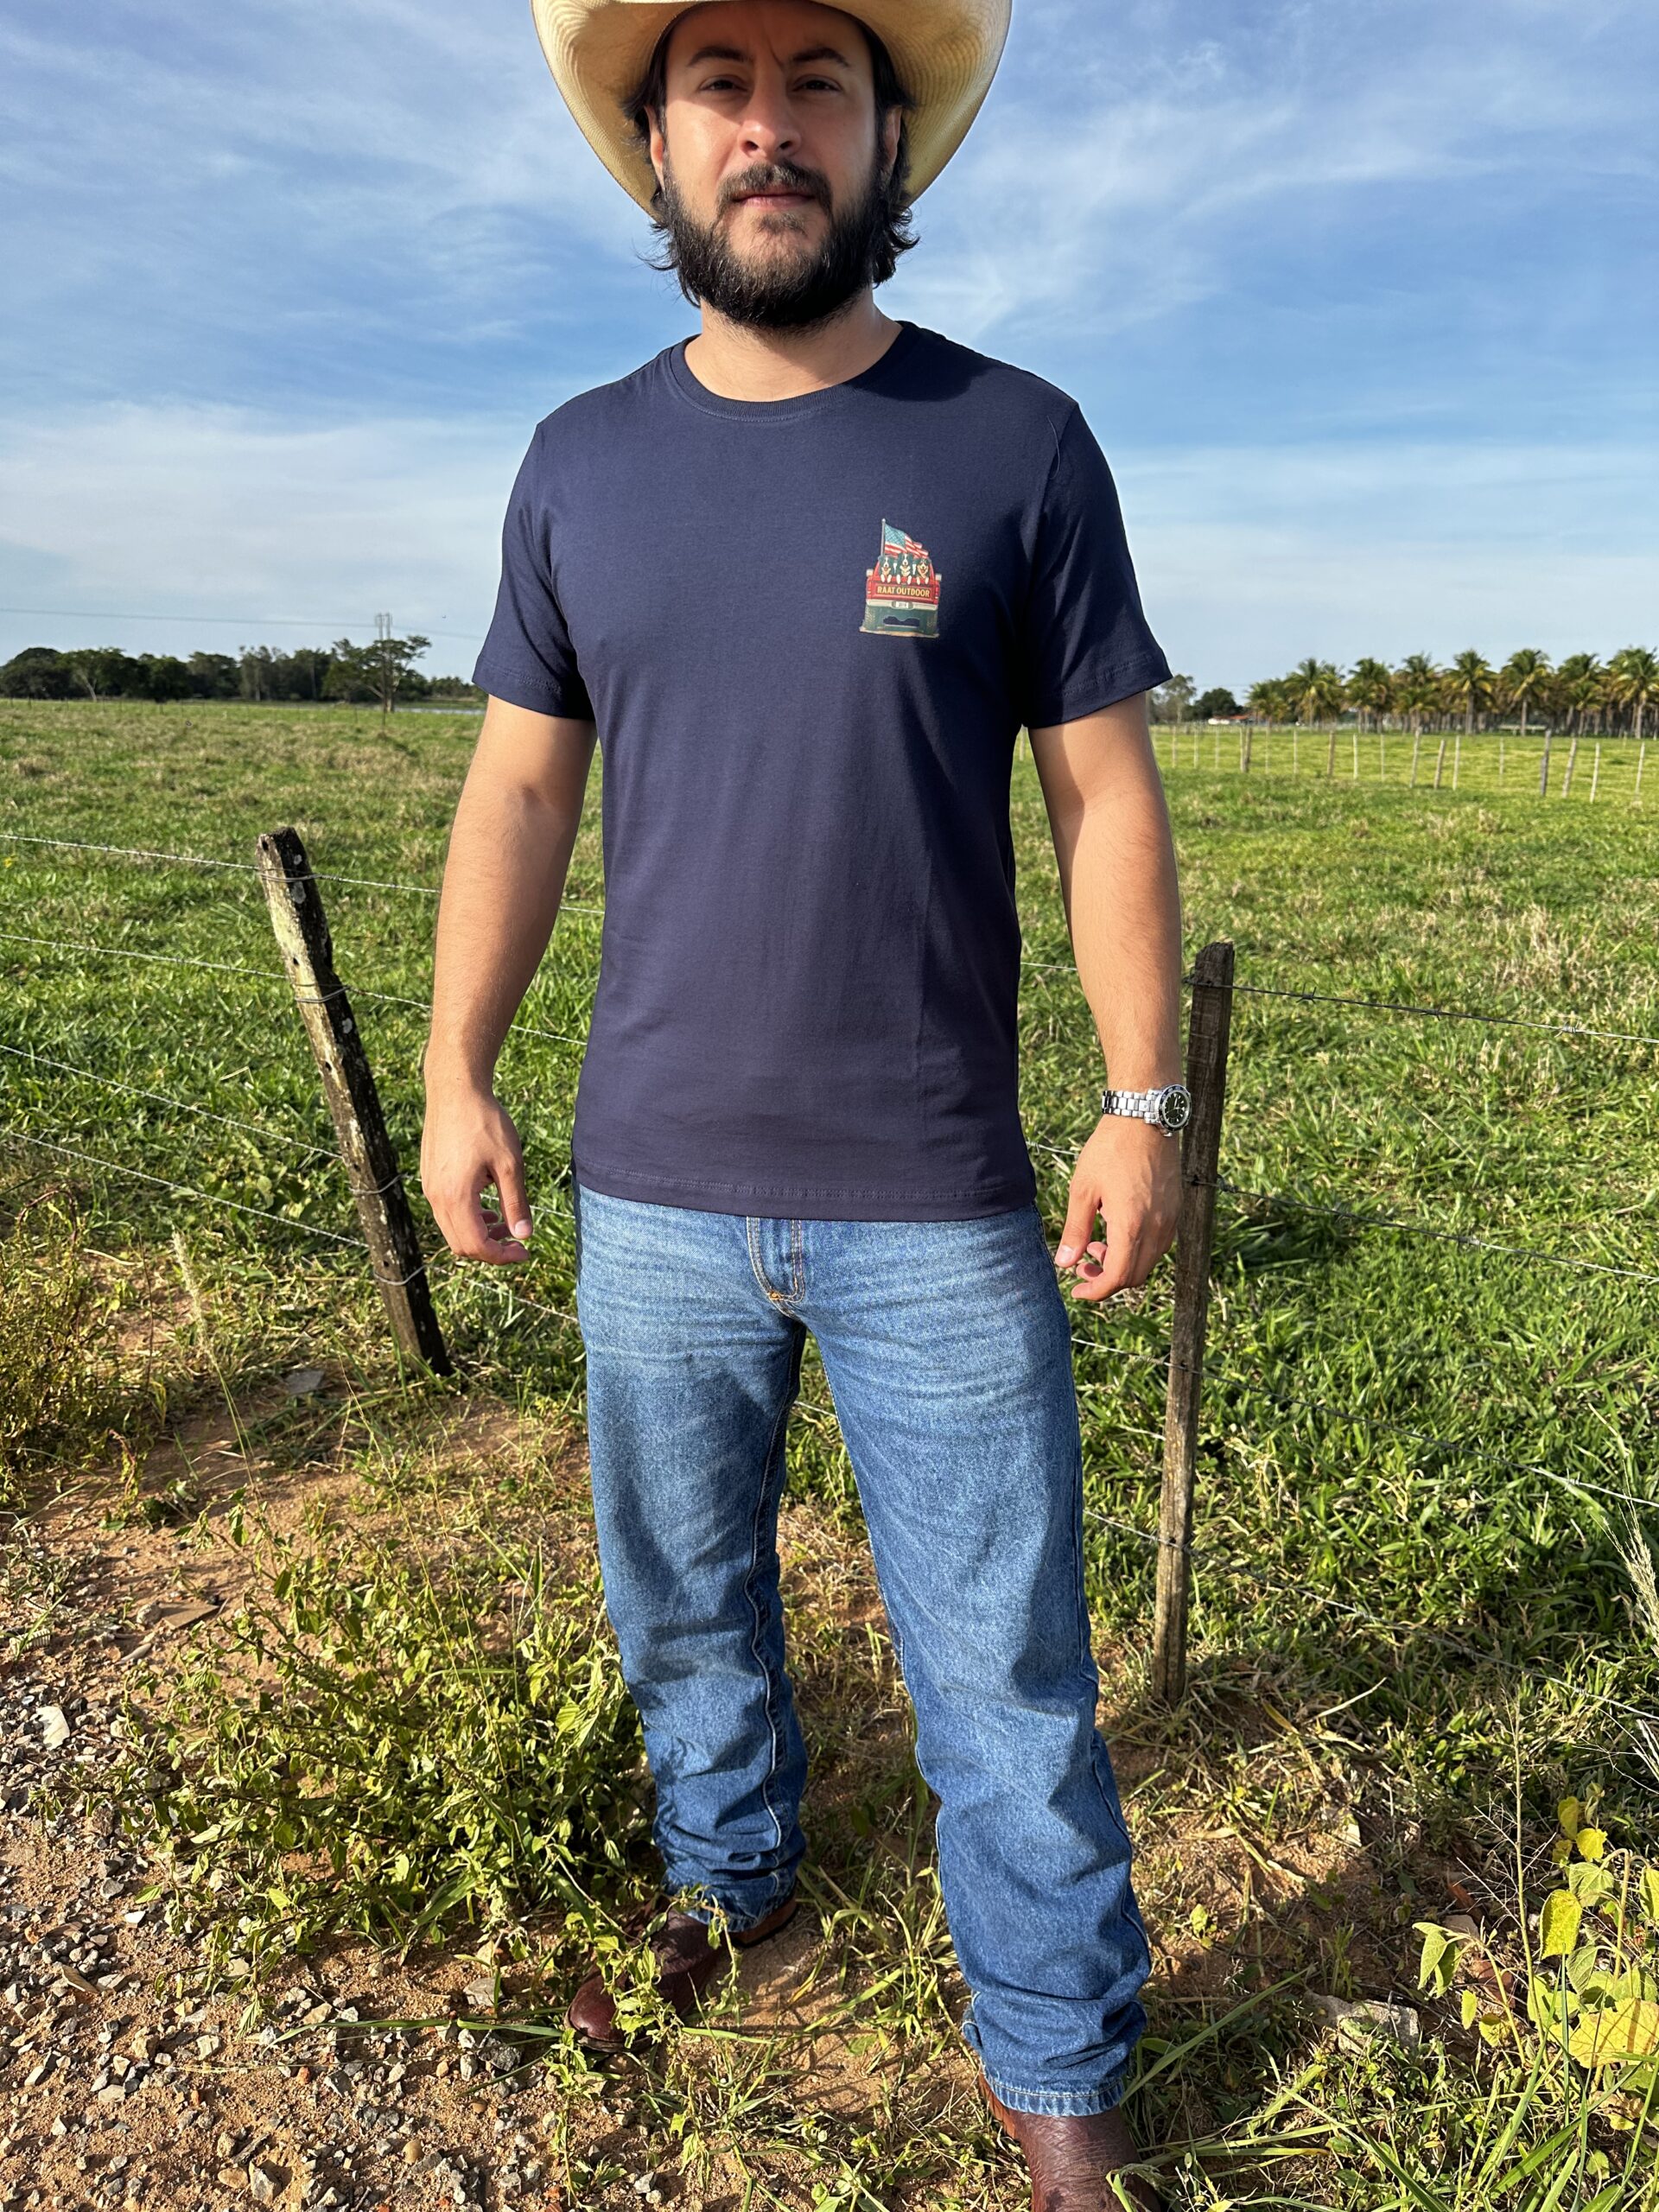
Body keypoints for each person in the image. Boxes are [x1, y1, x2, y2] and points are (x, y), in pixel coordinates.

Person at [420, 3, 1185, 2204]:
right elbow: (519, 788)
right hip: (651, 1186)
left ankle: (1058, 2063)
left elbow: (1103, 790)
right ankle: (732, 1870)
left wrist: (1141, 1094)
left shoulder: (1015, 443)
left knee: (1007, 1666)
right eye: (721, 84)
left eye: (817, 83)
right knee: (682, 1599)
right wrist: (458, 1067)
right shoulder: (578, 463)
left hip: (936, 1195)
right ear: (658, 143)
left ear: (886, 137)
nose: (770, 128)